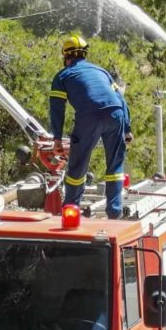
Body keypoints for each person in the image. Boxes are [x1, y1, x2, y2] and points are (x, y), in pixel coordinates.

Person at [50, 34, 131, 219]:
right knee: (115, 165)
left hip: (89, 116)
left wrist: (57, 138)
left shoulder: (62, 76)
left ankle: (71, 208)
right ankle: (114, 212)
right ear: (84, 54)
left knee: (78, 166)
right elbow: (120, 98)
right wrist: (127, 128)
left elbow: (57, 109)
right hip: (116, 113)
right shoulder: (101, 71)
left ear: (65, 56)